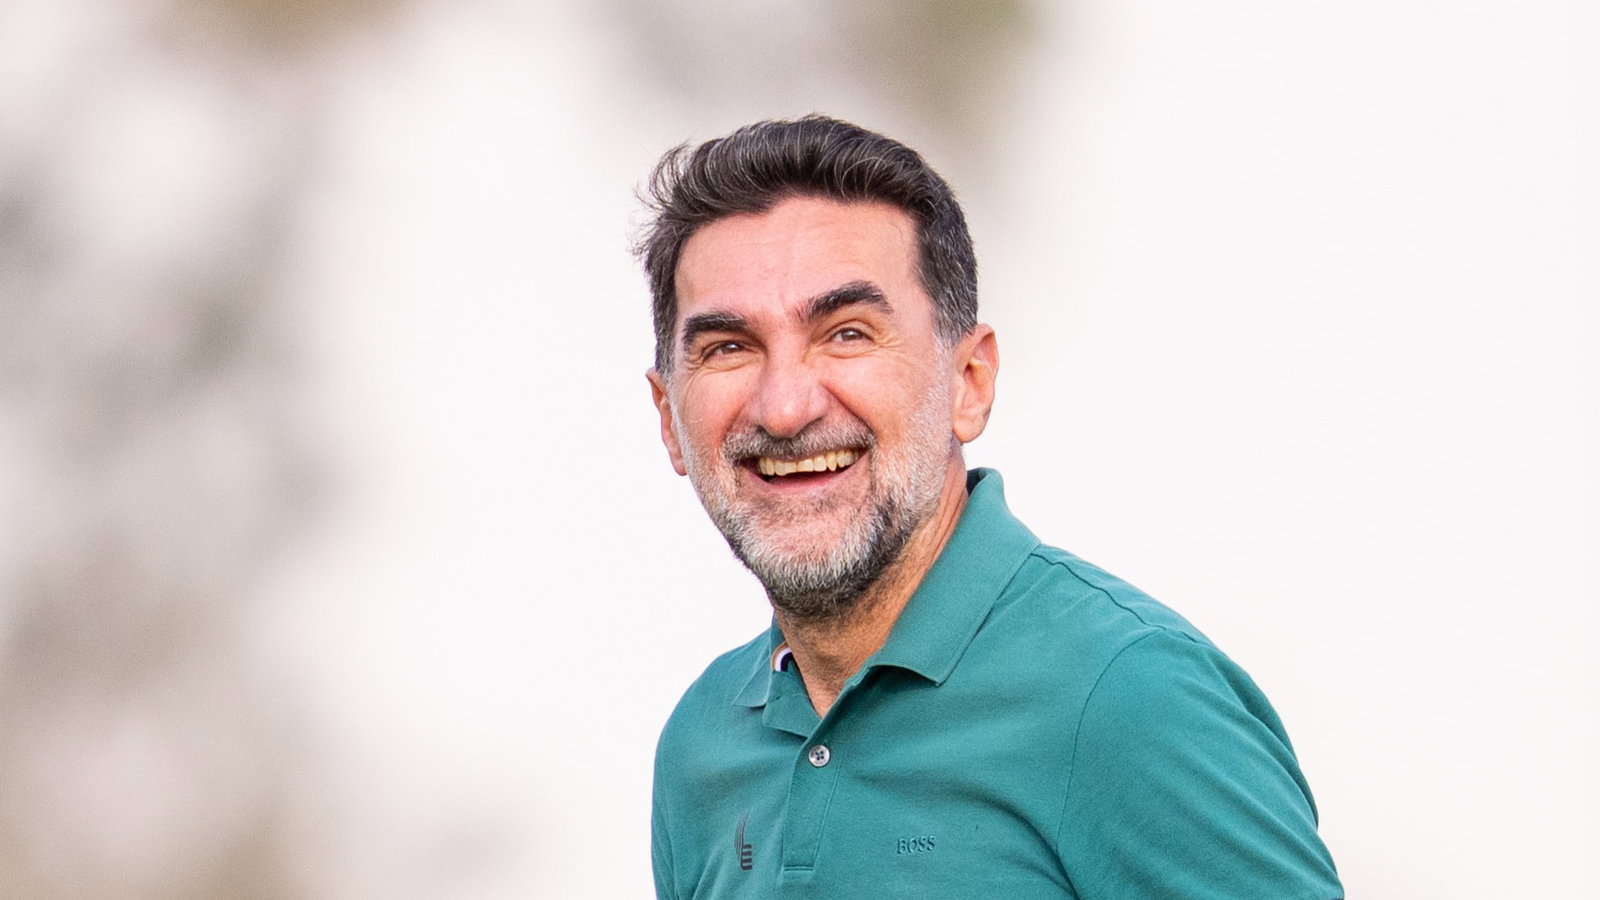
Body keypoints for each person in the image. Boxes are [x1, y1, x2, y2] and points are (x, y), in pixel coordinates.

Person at [636, 115, 1342, 899]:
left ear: (969, 383)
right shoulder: (702, 746)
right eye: (729, 347)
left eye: (847, 333)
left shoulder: (1132, 699)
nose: (786, 406)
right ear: (669, 419)